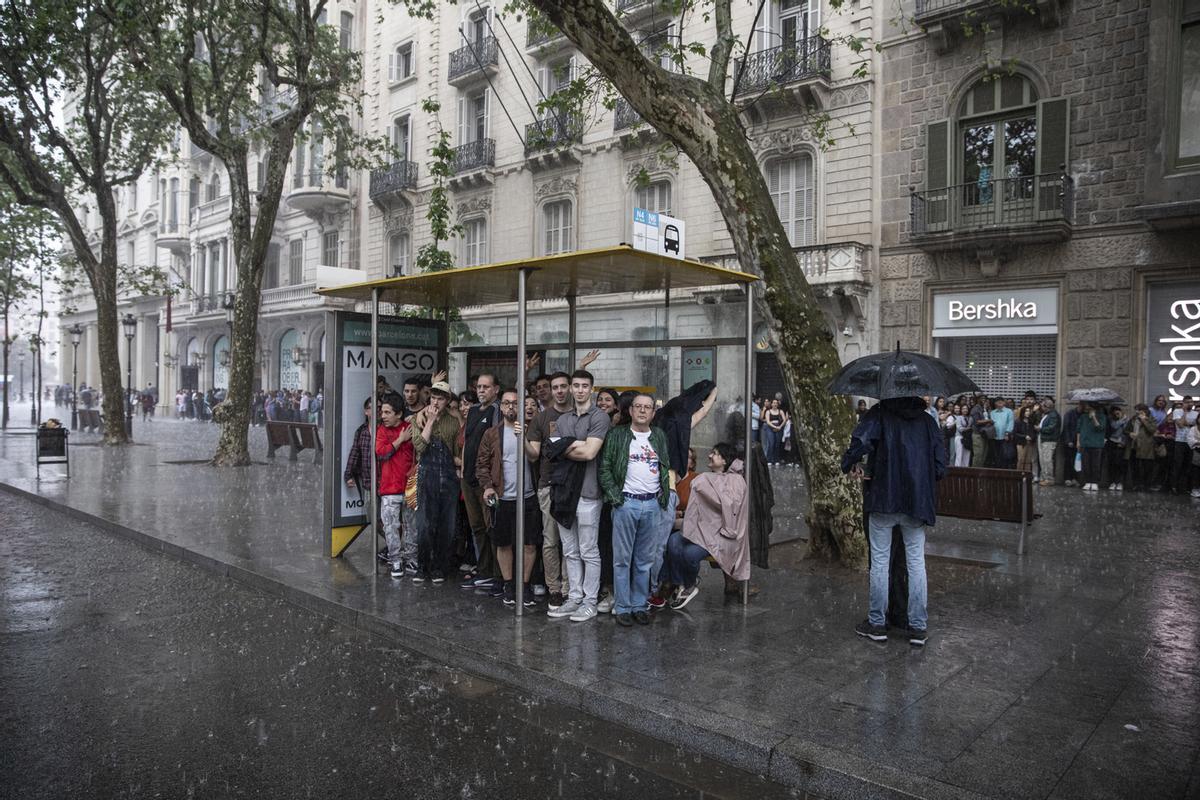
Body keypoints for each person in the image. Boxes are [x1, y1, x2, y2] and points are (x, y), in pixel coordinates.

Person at [842, 396, 946, 646]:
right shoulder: (927, 421)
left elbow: (860, 443)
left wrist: (849, 463)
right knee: (916, 563)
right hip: (916, 503)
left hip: (883, 499)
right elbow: (941, 466)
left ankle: (877, 623)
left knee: (880, 563)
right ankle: (917, 626)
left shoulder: (878, 414)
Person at [599, 393, 671, 626]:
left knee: (644, 560)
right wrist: (616, 498)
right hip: (626, 503)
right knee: (622, 560)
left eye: (647, 407)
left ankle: (640, 604)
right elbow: (605, 468)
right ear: (630, 411)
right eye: (637, 407)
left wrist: (662, 497)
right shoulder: (617, 435)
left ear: (652, 412)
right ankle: (623, 607)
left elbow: (665, 466)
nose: (642, 411)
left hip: (652, 504)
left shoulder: (659, 435)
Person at [545, 369, 610, 623]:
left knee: (588, 550)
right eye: (577, 385)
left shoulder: (600, 417)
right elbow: (552, 451)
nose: (580, 389)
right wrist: (572, 446)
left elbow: (590, 453)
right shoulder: (561, 420)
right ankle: (574, 597)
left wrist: (566, 446)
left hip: (589, 492)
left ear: (591, 389)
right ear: (571, 389)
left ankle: (590, 602)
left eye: (585, 386)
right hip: (564, 491)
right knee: (570, 550)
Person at [665, 442, 750, 611]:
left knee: (690, 554)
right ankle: (684, 583)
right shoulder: (704, 478)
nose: (710, 455)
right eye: (711, 452)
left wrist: (706, 490)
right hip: (701, 530)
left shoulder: (737, 481)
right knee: (673, 543)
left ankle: (688, 585)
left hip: (722, 536)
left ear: (725, 460)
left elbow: (729, 505)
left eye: (715, 453)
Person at [476, 389, 541, 607]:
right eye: (506, 403)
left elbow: (536, 458)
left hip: (529, 496)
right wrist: (487, 487)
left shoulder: (531, 430)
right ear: (501, 407)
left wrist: (522, 437)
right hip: (503, 497)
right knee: (503, 543)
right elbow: (481, 464)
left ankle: (525, 585)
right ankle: (509, 584)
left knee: (530, 543)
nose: (511, 407)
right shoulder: (492, 433)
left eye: (515, 403)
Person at [525, 372, 572, 610]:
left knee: (571, 543)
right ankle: (554, 589)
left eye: (564, 386)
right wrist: (522, 439)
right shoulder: (542, 418)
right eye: (556, 387)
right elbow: (533, 453)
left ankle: (569, 589)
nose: (560, 391)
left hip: (574, 487)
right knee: (551, 540)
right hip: (548, 486)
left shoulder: (579, 414)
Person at [412, 381, 463, 583]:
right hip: (426, 474)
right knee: (424, 524)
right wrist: (430, 421)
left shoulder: (453, 422)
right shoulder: (420, 418)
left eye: (441, 398)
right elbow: (419, 447)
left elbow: (458, 452)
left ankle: (440, 567)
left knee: (447, 525)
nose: (436, 401)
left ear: (448, 400)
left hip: (449, 476)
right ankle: (422, 566)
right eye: (433, 397)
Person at [459, 373, 502, 591]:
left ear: (496, 389)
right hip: (468, 478)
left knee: (491, 526)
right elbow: (467, 441)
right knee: (476, 527)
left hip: (487, 482)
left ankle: (498, 573)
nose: (481, 390)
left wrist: (491, 482)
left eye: (486, 387)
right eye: (479, 387)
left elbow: (496, 446)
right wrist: (464, 470)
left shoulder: (498, 411)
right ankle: (484, 570)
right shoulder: (473, 410)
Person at [375, 394, 415, 579]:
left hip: (409, 487)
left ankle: (411, 558)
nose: (383, 415)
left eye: (387, 412)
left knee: (411, 527)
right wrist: (400, 440)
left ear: (399, 414)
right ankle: (395, 560)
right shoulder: (382, 430)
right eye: (382, 412)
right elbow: (381, 453)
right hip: (389, 489)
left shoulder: (410, 428)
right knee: (391, 527)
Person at [1076, 402, 1108, 492]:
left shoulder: (1102, 416)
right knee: (1085, 463)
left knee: (1095, 464)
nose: (1086, 407)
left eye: (1088, 406)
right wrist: (1078, 442)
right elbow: (1078, 429)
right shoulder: (1083, 417)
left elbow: (1100, 428)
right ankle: (1087, 481)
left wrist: (1094, 417)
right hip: (1085, 443)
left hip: (1096, 443)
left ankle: (1095, 482)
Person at [1125, 404, 1158, 491]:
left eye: (1139, 410)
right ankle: (1136, 484)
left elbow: (1152, 430)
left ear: (1145, 411)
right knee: (1135, 467)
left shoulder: (1151, 419)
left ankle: (1146, 485)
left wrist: (1144, 420)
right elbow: (1126, 430)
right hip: (1134, 446)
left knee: (1147, 467)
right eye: (1136, 410)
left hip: (1146, 447)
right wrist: (1130, 433)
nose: (1137, 412)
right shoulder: (1133, 418)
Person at [1036, 398, 1060, 486]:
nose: (1041, 407)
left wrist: (1040, 428)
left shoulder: (1053, 415)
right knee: (1042, 459)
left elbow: (1051, 427)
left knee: (1047, 459)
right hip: (1043, 438)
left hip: (1049, 440)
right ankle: (1044, 477)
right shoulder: (1046, 414)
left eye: (1042, 406)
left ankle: (1049, 479)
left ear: (1047, 406)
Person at [1105, 406, 1129, 491]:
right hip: (1112, 442)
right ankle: (1112, 482)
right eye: (1115, 413)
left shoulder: (1127, 420)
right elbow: (1114, 427)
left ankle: (1119, 482)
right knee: (1112, 463)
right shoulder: (1111, 420)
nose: (1117, 414)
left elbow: (1127, 432)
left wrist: (1123, 442)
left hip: (1121, 443)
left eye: (1118, 412)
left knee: (1120, 464)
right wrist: (1122, 420)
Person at [1012, 404, 1038, 473]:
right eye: (1026, 411)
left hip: (1029, 443)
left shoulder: (1031, 421)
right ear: (1022, 412)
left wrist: (1032, 437)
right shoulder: (1018, 421)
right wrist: (1024, 436)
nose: (1028, 412)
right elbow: (1015, 433)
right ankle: (1019, 474)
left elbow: (1033, 432)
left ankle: (1026, 475)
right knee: (1021, 459)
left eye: (1029, 411)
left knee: (1028, 460)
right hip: (1021, 443)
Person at [989, 398, 1014, 468]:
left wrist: (1007, 433)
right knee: (996, 455)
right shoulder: (992, 412)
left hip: (1005, 436)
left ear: (1004, 403)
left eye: (1001, 401)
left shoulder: (1009, 411)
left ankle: (1005, 471)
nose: (999, 403)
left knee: (1005, 455)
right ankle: (997, 471)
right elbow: (991, 424)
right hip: (994, 437)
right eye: (997, 402)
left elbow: (1010, 423)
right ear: (995, 403)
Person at [968, 395, 992, 467]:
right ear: (977, 399)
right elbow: (977, 422)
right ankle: (974, 473)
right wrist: (988, 420)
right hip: (977, 435)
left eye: (984, 398)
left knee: (984, 455)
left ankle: (980, 472)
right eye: (982, 398)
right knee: (978, 455)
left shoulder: (984, 409)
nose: (983, 400)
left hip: (985, 434)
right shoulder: (975, 409)